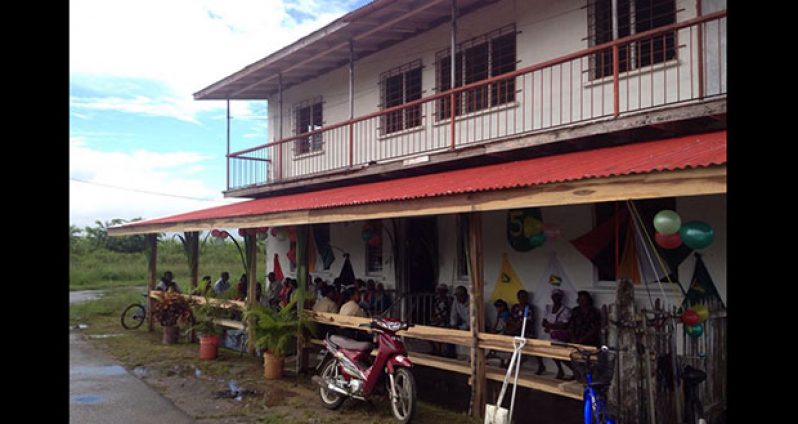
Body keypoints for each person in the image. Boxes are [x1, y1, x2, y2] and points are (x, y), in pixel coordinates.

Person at [507, 289, 545, 374]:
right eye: (520, 297)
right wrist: (514, 325)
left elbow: (528, 320)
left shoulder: (530, 307)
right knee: (512, 344)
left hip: (527, 331)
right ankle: (510, 363)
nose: (522, 299)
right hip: (516, 331)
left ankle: (541, 365)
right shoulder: (515, 307)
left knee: (534, 347)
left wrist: (517, 325)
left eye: (524, 297)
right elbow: (510, 319)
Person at [542, 288, 574, 380]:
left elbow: (564, 325)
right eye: (554, 296)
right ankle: (560, 370)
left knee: (562, 355)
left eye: (558, 296)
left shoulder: (566, 310)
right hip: (551, 335)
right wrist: (553, 326)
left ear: (561, 297)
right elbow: (543, 323)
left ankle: (574, 371)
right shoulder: (548, 308)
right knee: (552, 353)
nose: (556, 298)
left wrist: (550, 326)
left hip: (561, 336)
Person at [429, 284, 452, 356]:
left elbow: (450, 313)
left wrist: (442, 319)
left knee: (441, 333)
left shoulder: (449, 300)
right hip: (437, 320)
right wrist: (433, 318)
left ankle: (441, 351)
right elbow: (434, 311)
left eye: (442, 291)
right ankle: (435, 349)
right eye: (439, 291)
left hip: (445, 321)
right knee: (427, 331)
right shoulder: (437, 299)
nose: (440, 292)